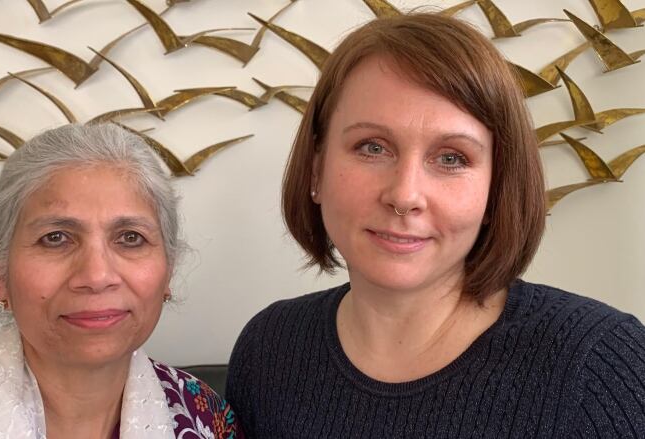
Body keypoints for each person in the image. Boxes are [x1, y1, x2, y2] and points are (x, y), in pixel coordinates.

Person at [225, 13, 645, 438]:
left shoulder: (600, 363)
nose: (405, 195)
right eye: (372, 147)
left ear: (494, 189)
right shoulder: (269, 349)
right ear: (316, 170)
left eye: (451, 158)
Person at [0, 124, 242, 439]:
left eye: (130, 237)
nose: (96, 277)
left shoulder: (205, 417)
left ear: (168, 270)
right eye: (56, 238)